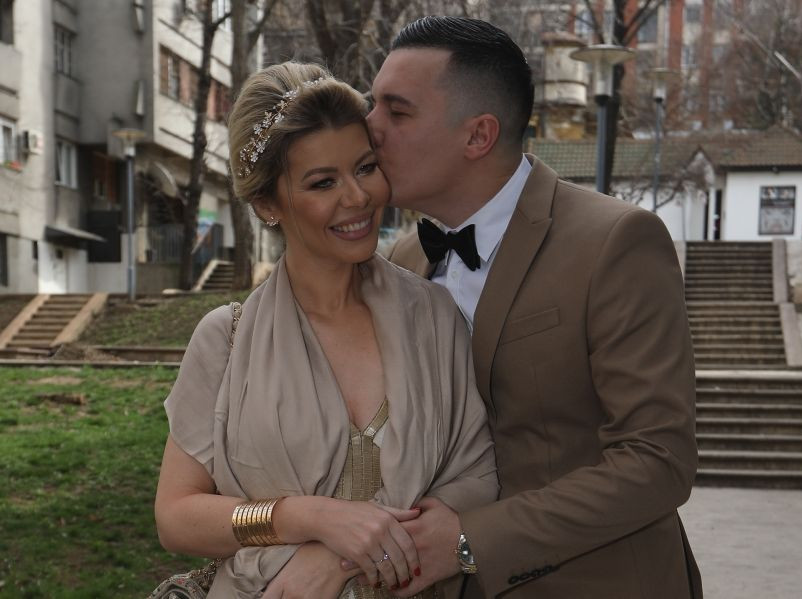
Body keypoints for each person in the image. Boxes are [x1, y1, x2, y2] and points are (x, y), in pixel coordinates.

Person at [366, 16, 702, 598]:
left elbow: (658, 459)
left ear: (478, 135)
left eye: (396, 112)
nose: (369, 127)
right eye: (373, 105)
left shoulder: (616, 241)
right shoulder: (401, 258)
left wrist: (470, 541)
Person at [153, 62, 497, 599]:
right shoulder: (226, 340)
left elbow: (478, 481)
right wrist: (307, 518)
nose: (357, 197)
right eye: (323, 182)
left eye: (365, 168)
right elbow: (176, 518)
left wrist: (339, 560)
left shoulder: (435, 315)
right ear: (268, 204)